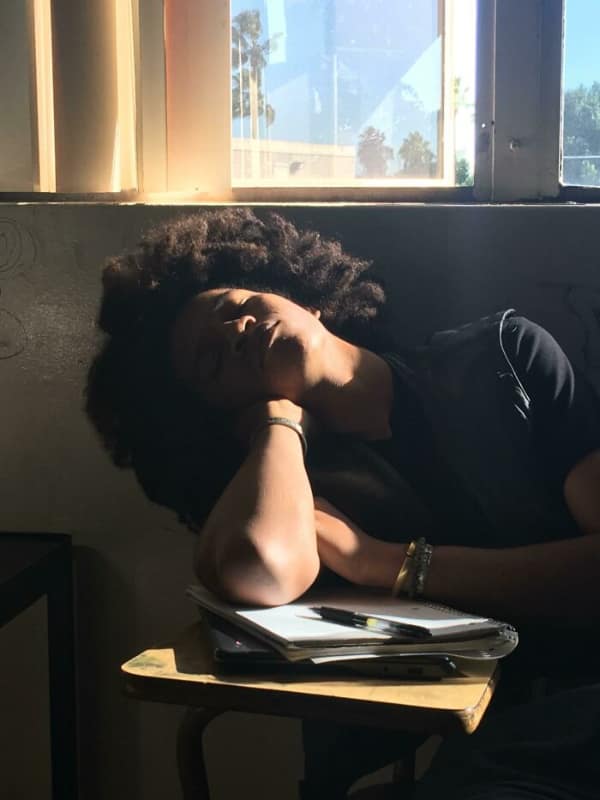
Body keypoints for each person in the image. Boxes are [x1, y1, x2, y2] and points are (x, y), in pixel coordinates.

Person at [86, 208, 600, 798]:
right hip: (500, 749)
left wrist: (385, 563)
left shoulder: (504, 358)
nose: (235, 331)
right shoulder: (280, 484)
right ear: (219, 415)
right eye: (211, 361)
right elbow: (254, 568)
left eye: (236, 304)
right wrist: (279, 425)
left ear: (303, 295)